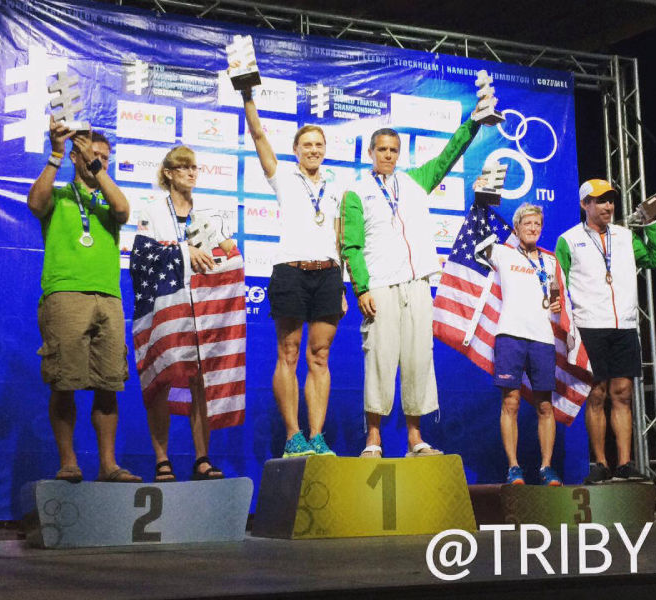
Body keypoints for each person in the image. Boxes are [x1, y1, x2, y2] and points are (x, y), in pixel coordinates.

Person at [340, 109, 487, 458]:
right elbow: (351, 246)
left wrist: (474, 122)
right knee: (380, 359)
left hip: (418, 283)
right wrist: (361, 288)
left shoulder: (416, 181)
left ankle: (415, 439)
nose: (388, 155)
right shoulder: (356, 192)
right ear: (371, 153)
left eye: (393, 150)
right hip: (380, 286)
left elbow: (449, 155)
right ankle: (373, 439)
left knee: (419, 360)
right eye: (382, 150)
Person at [27, 117, 141, 483]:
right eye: (93, 155)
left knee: (109, 384)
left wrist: (97, 168)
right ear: (76, 157)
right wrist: (57, 154)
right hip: (65, 294)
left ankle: (108, 466)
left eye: (105, 157)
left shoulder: (108, 199)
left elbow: (124, 211)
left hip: (108, 297)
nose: (100, 161)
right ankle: (69, 463)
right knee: (64, 382)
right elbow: (35, 203)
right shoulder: (60, 196)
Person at [240, 86, 345, 458]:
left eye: (319, 145)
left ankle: (317, 436)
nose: (313, 150)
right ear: (296, 150)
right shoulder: (282, 176)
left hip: (329, 274)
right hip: (290, 272)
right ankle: (293, 436)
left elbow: (339, 237)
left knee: (320, 356)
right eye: (307, 145)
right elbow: (258, 136)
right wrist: (248, 98)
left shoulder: (337, 186)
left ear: (324, 149)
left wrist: (343, 285)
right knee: (288, 353)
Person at [134, 145, 239, 481]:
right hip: (167, 307)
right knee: (162, 377)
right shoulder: (152, 211)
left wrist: (227, 256)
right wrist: (184, 251)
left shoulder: (208, 213)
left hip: (202, 309)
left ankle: (202, 457)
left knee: (200, 381)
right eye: (184, 167)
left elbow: (231, 252)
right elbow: (142, 256)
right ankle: (162, 459)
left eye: (194, 167)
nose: (191, 173)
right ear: (168, 173)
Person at [555, 179, 656, 484]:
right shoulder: (569, 240)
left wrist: (652, 224)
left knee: (623, 394)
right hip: (590, 325)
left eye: (611, 200)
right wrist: (564, 327)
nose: (608, 206)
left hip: (624, 325)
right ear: (585, 205)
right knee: (596, 394)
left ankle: (625, 463)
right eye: (600, 200)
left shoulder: (625, 237)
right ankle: (601, 463)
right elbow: (558, 285)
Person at [482, 203, 563, 485]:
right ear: (516, 228)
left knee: (545, 406)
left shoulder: (550, 261)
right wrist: (482, 199)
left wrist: (557, 304)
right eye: (527, 223)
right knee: (511, 402)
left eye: (537, 224)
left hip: (543, 338)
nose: (533, 228)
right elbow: (479, 232)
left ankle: (546, 467)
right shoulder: (502, 253)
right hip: (510, 335)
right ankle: (513, 467)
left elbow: (557, 298)